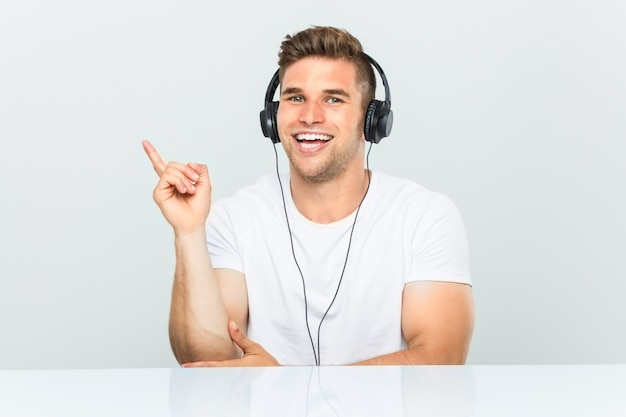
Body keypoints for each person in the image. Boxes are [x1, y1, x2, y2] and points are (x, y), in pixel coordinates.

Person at [142, 25, 474, 367]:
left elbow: (441, 359)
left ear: (371, 120)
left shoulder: (425, 217)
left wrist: (285, 385)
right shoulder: (234, 218)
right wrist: (188, 232)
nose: (310, 116)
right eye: (295, 97)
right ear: (273, 117)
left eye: (333, 99)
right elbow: (205, 361)